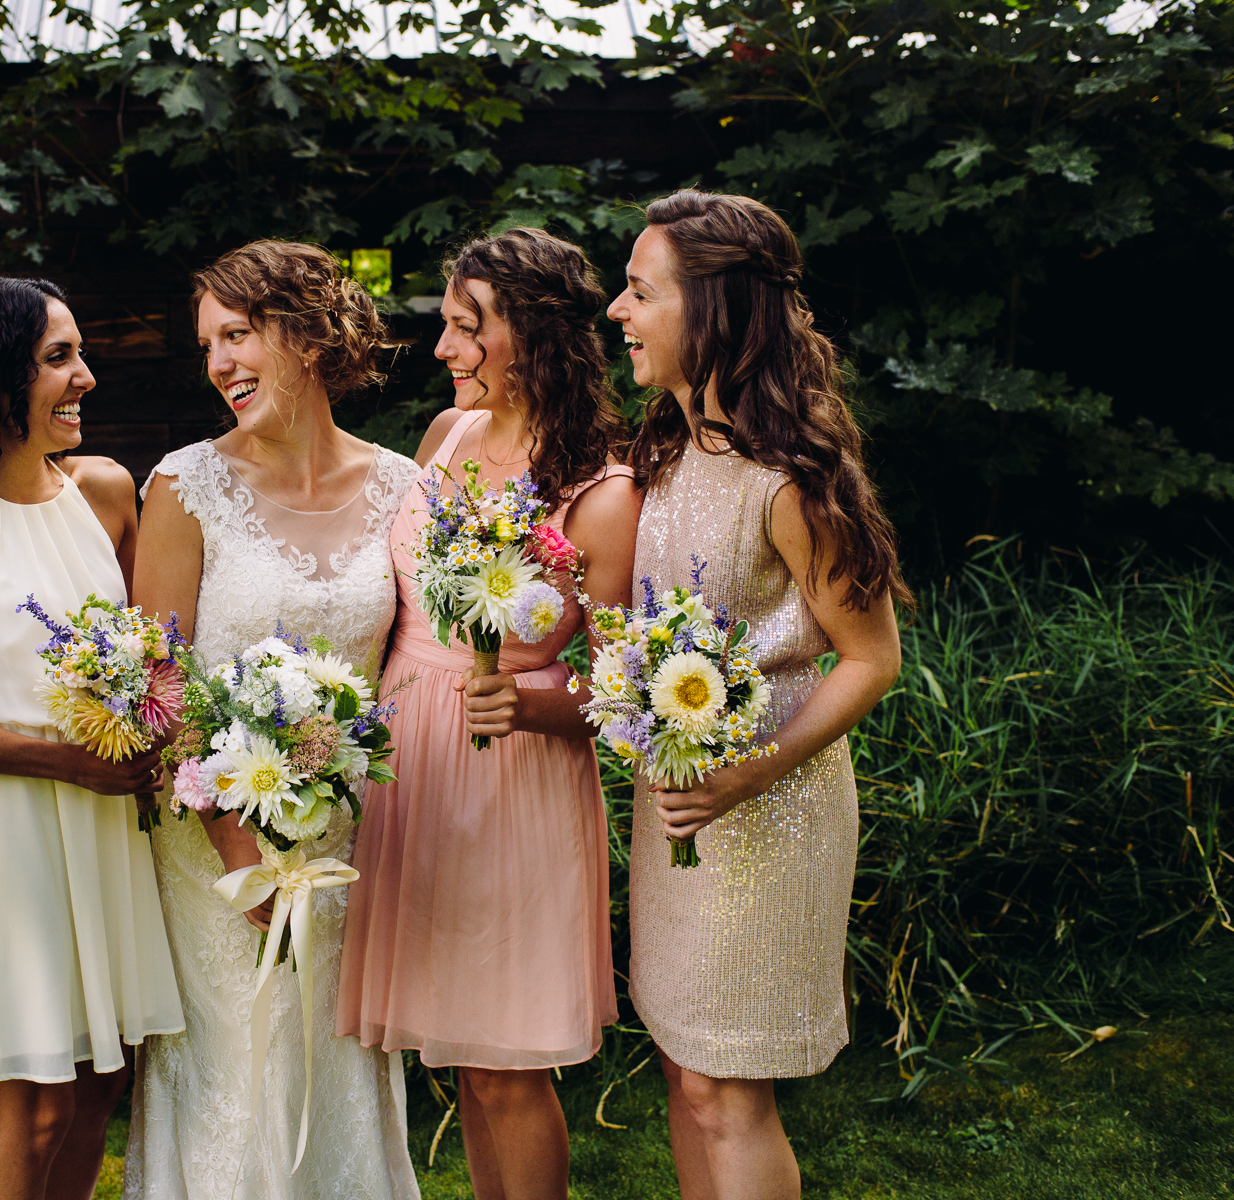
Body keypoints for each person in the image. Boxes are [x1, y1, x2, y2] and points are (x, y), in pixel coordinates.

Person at [609, 188, 908, 1200]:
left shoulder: (787, 477)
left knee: (731, 1091)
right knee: (689, 1073)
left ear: (714, 309)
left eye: (640, 291)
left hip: (770, 804)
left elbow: (871, 658)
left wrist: (745, 774)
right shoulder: (673, 450)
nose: (619, 310)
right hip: (684, 804)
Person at [337, 226, 639, 1200]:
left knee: (509, 1061)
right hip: (410, 766)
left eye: (467, 328)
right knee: (467, 1060)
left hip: (514, 777)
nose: (442, 349)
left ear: (538, 337)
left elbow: (629, 687)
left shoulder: (600, 489)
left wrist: (537, 698)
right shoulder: (446, 435)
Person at [124, 241, 422, 1200]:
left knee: (332, 1066)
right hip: (213, 842)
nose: (218, 364)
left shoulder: (403, 486)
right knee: (239, 1070)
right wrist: (238, 853)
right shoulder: (183, 488)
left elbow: (417, 670)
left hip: (347, 838)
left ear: (308, 333)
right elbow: (160, 688)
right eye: (208, 344)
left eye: (238, 334)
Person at [0, 277, 184, 1200]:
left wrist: (145, 736)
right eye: (59, 358)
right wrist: (68, 764)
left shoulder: (105, 491)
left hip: (104, 828)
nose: (86, 378)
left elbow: (148, 657)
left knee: (101, 1088)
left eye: (79, 354)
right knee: (39, 1105)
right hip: (7, 829)